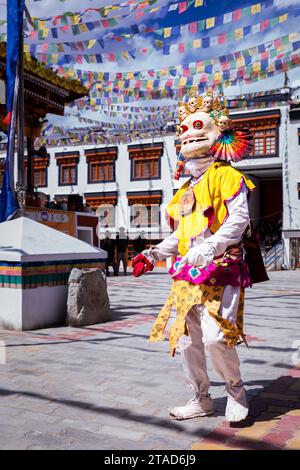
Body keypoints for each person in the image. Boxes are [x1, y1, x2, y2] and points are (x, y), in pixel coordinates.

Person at [132, 89, 268, 423]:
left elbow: (238, 220)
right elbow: (182, 235)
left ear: (218, 132)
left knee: (216, 336)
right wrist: (153, 253)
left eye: (196, 126)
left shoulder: (227, 176)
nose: (188, 134)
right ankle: (201, 398)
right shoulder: (184, 190)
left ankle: (235, 391)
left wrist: (209, 248)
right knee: (189, 339)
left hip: (221, 268)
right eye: (183, 129)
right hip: (186, 275)